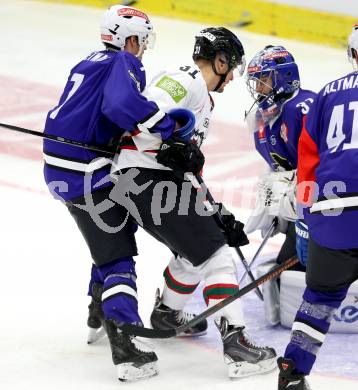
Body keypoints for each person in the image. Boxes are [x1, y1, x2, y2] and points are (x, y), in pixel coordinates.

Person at [110, 27, 277, 379]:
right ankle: (237, 344)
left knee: (196, 248)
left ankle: (169, 313)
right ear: (218, 60)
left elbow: (181, 160)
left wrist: (215, 213)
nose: (232, 76)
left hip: (147, 180)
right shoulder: (185, 78)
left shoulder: (201, 97)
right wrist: (167, 145)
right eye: (230, 67)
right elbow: (146, 112)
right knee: (216, 254)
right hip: (145, 177)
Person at [43, 4, 193, 382]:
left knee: (116, 231)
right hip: (85, 174)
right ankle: (126, 346)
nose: (142, 49)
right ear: (130, 40)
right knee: (119, 260)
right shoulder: (123, 63)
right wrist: (167, 128)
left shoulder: (88, 61)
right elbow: (121, 105)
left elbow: (89, 113)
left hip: (62, 168)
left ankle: (98, 307)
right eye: (140, 41)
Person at [277, 24, 358, 389]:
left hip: (331, 213)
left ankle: (292, 373)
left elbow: (307, 161)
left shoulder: (326, 95)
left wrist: (311, 215)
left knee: (320, 299)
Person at [244, 45, 316, 325]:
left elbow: (321, 167)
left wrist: (301, 207)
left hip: (325, 203)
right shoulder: (264, 119)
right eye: (256, 81)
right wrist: (275, 204)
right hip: (301, 205)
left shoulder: (304, 108)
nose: (259, 88)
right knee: (285, 271)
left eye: (265, 79)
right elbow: (279, 167)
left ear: (285, 77)